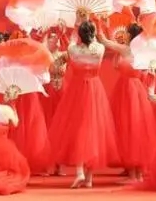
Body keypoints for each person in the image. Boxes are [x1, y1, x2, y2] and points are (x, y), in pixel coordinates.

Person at [46, 20, 120, 188]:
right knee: (93, 129)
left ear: (80, 34)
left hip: (77, 89)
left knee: (77, 127)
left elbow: (71, 45)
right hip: (94, 88)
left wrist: (73, 28)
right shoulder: (99, 49)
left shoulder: (73, 49)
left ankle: (80, 172)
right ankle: (89, 178)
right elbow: (98, 41)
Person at [102, 22, 156, 182]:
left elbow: (104, 41)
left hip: (129, 90)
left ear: (131, 35)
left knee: (131, 127)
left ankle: (135, 174)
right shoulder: (142, 51)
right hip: (135, 89)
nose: (125, 35)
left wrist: (101, 24)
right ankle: (135, 172)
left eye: (127, 33)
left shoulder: (127, 50)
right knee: (134, 127)